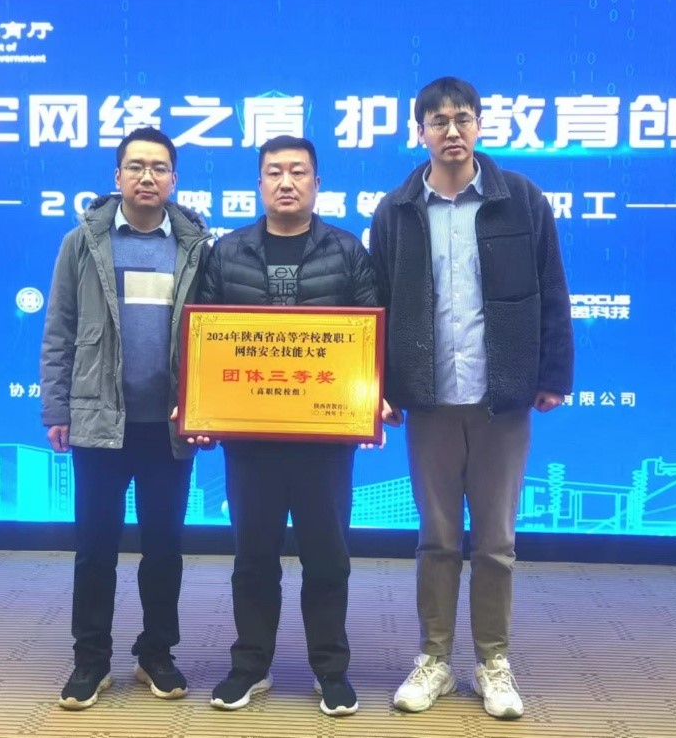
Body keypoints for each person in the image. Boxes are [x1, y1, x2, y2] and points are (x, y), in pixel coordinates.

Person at [368, 76, 574, 720]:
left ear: (480, 125)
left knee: (495, 543)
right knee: (436, 539)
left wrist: (554, 373)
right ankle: (434, 658)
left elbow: (552, 289)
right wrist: (380, 387)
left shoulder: (523, 200)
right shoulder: (396, 210)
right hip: (428, 402)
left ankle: (492, 662)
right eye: (438, 121)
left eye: (462, 118)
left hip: (500, 399)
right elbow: (379, 306)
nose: (451, 131)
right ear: (420, 132)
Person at [192, 135, 381, 717]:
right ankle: (250, 665)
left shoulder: (347, 250)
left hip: (325, 439)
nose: (286, 182)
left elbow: (372, 334)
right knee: (253, 557)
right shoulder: (227, 252)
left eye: (298, 171)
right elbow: (201, 338)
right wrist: (198, 405)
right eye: (274, 172)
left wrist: (377, 397)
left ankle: (331, 670)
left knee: (328, 557)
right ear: (259, 183)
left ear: (317, 183)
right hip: (250, 439)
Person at [40, 127, 212, 710]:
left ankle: (155, 654)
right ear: (117, 177)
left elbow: (213, 336)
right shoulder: (82, 243)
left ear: (174, 179)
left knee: (164, 548)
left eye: (159, 167)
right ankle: (91, 660)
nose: (147, 176)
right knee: (95, 548)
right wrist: (56, 407)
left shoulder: (195, 247)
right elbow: (59, 329)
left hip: (168, 426)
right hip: (99, 421)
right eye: (136, 166)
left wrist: (206, 407)